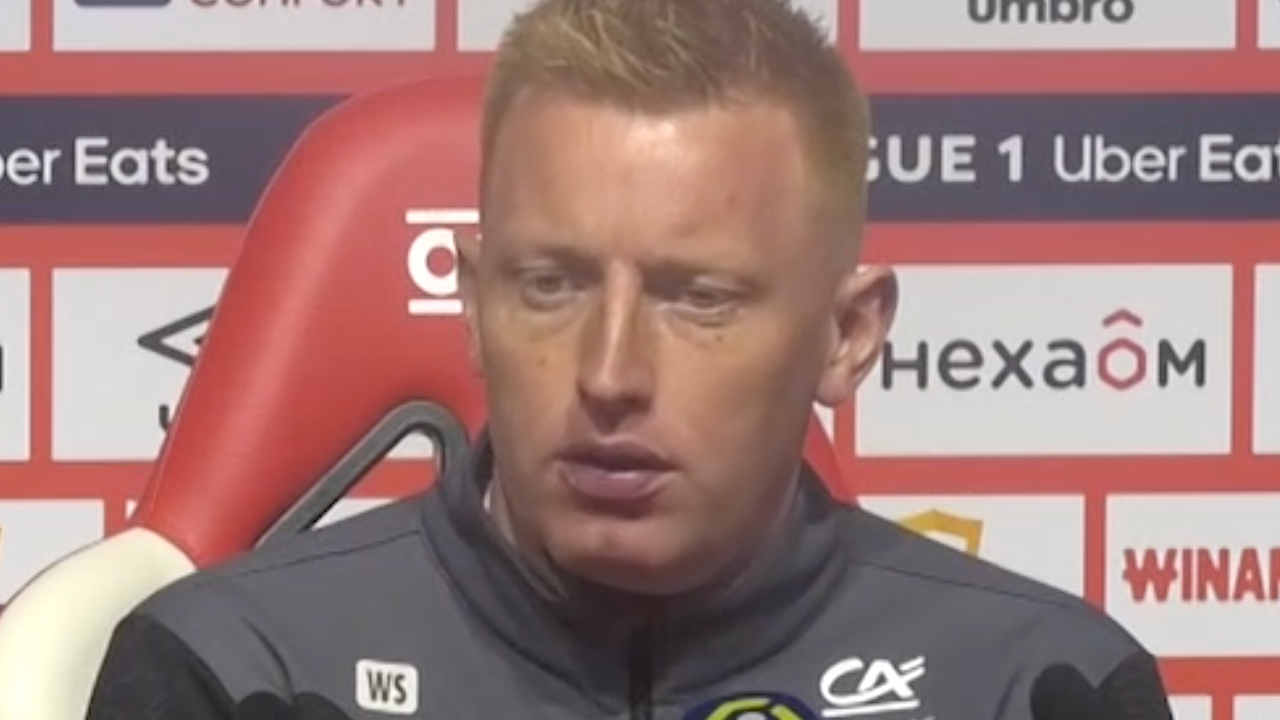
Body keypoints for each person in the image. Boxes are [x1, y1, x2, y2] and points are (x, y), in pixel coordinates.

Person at [86, 1, 1173, 718]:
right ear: (473, 306)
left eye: (697, 299)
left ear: (846, 338)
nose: (607, 374)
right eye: (549, 285)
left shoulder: (1037, 686)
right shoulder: (235, 674)